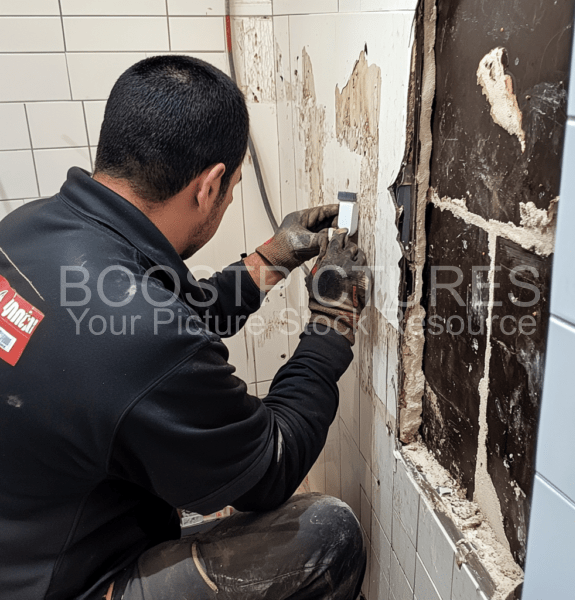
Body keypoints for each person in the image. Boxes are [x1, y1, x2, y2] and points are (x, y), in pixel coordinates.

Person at [0, 55, 369, 600]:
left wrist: (269, 260)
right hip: (66, 585)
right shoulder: (139, 334)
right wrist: (330, 326)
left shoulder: (28, 230)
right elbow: (269, 468)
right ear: (209, 185)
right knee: (327, 536)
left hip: (23, 543)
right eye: (234, 186)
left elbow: (150, 316)